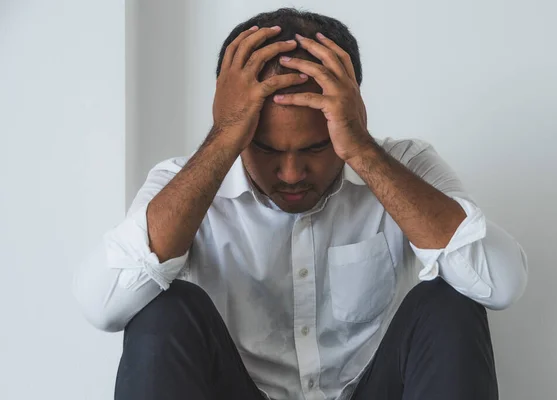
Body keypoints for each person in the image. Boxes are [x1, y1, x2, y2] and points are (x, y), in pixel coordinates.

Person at [74, 8, 528, 400]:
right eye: (267, 150)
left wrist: (363, 151)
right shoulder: (184, 181)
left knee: (450, 302)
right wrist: (223, 137)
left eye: (314, 149)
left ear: (349, 114)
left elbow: (501, 285)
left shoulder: (403, 165)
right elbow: (102, 305)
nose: (290, 175)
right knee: (162, 308)